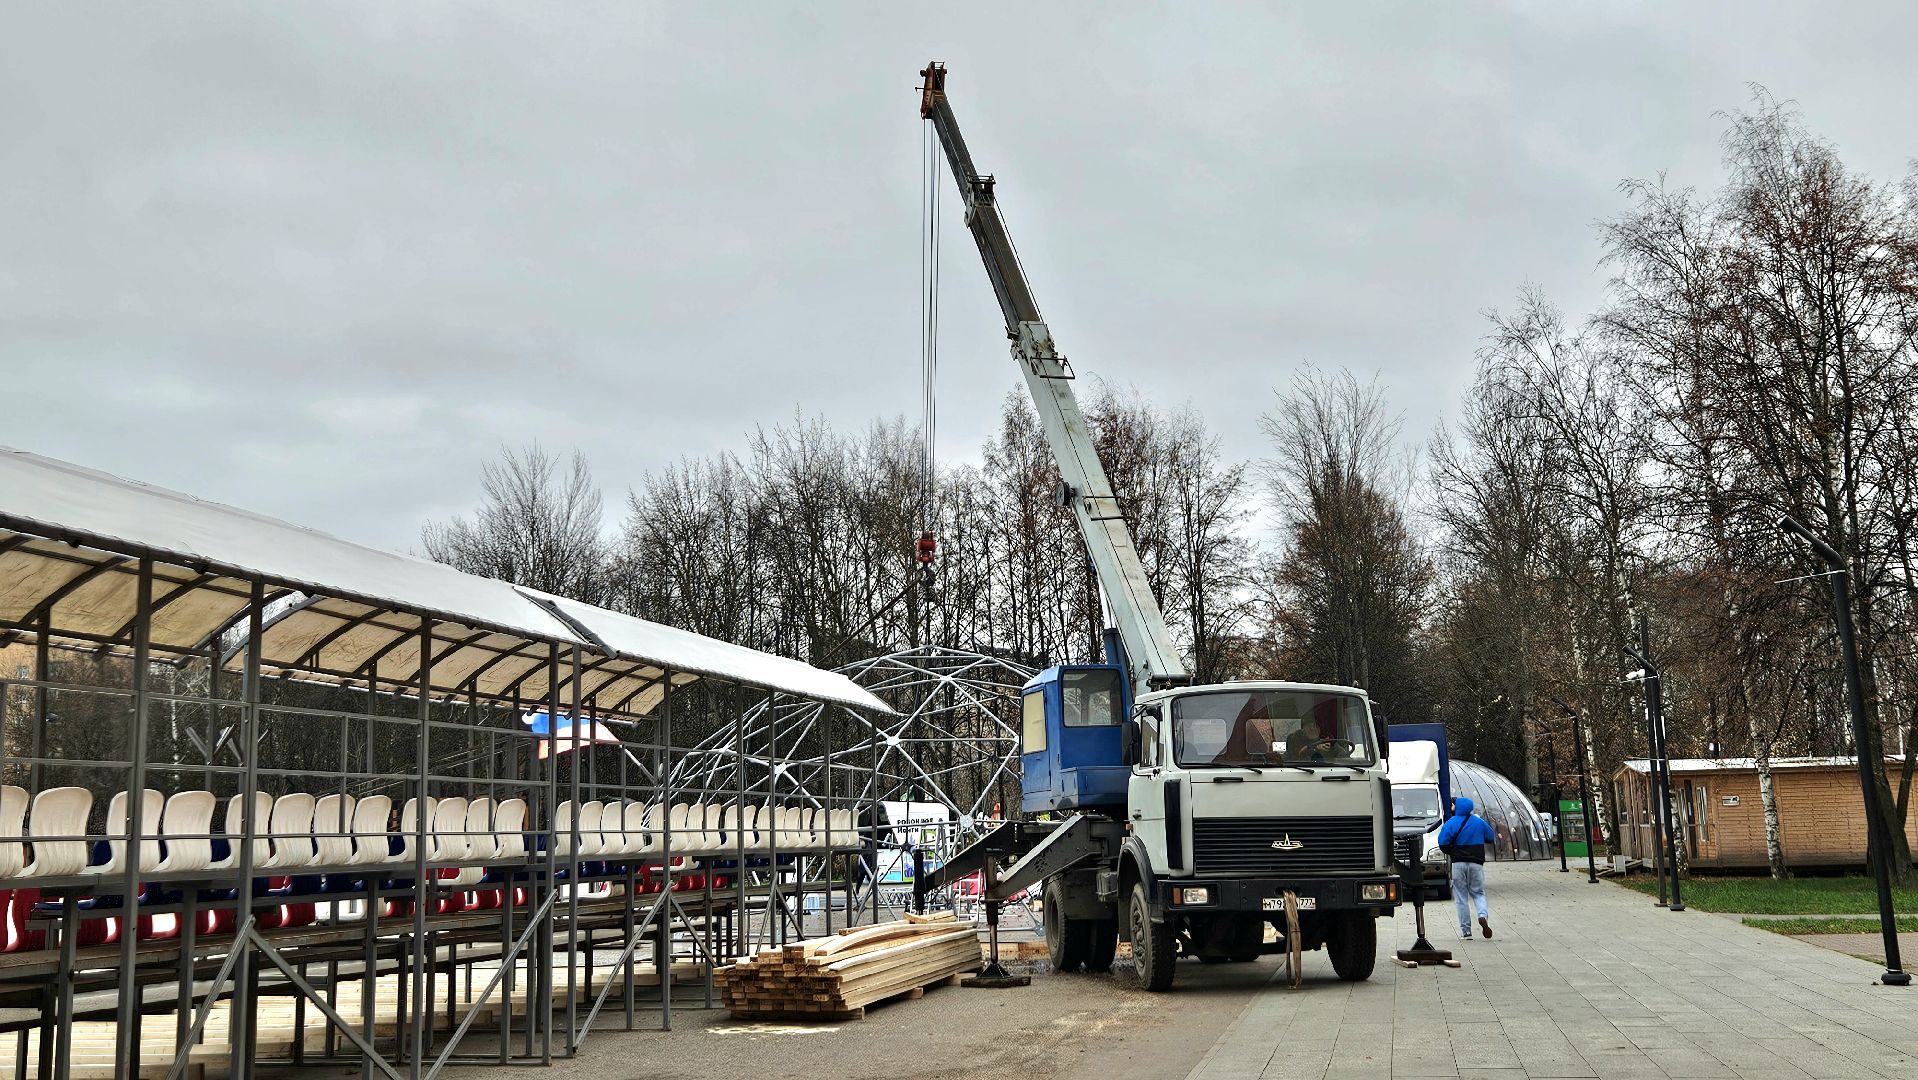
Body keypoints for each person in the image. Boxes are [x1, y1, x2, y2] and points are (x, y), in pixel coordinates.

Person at [1438, 796, 1495, 940]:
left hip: (1458, 863)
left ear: (1457, 807)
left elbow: (1443, 843)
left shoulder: (1451, 823)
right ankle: (1482, 915)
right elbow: (1490, 837)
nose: (1451, 807)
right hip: (1476, 863)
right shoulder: (1479, 822)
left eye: (1453, 805)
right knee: (1478, 893)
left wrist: (1452, 851)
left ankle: (1466, 932)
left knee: (1461, 897)